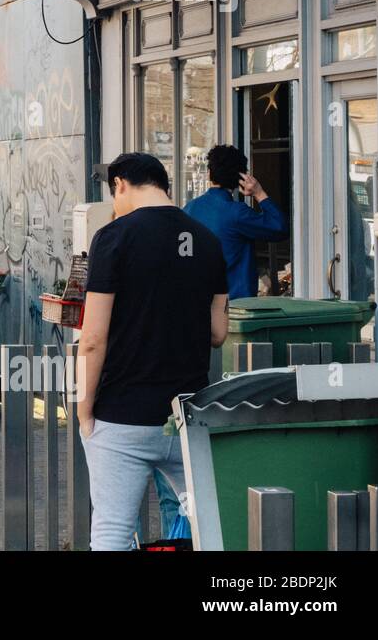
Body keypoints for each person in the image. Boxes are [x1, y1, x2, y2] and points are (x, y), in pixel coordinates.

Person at [78, 152, 229, 551]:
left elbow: (93, 337)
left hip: (123, 415)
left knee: (112, 533)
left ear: (120, 185)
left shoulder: (113, 237)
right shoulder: (208, 241)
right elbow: (218, 332)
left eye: (114, 194)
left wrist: (84, 409)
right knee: (210, 529)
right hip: (189, 416)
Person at [183, 144, 287, 300]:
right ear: (241, 178)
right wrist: (259, 193)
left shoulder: (189, 208)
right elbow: (279, 227)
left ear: (209, 173)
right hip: (234, 305)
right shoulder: (237, 213)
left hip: (196, 301)